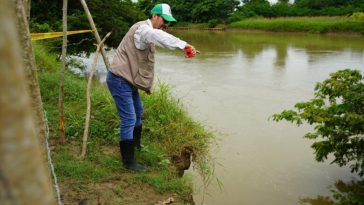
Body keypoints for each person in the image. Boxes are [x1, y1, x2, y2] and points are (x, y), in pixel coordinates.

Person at [106, 3, 198, 172]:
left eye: (169, 22)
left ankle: (136, 145)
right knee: (129, 119)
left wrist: (146, 86)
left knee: (138, 113)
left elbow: (144, 63)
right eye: (165, 20)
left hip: (128, 80)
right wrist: (184, 45)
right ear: (154, 16)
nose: (167, 25)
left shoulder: (148, 34)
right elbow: (159, 36)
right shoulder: (143, 30)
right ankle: (128, 161)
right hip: (119, 80)